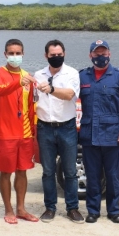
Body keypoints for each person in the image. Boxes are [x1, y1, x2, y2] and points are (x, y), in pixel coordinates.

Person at [78, 39, 119, 224]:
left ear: (109, 54)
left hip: (112, 135)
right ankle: (93, 211)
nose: (100, 56)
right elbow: (69, 99)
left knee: (113, 177)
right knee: (92, 176)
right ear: (90, 55)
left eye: (103, 53)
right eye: (96, 53)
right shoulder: (82, 76)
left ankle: (113, 211)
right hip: (89, 135)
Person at [0, 39, 39, 224]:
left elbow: (31, 106)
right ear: (5, 54)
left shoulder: (28, 77)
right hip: (5, 132)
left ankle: (21, 209)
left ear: (23, 54)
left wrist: (34, 132)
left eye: (18, 53)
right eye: (11, 53)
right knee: (6, 172)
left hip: (25, 132)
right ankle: (8, 209)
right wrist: (18, 82)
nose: (15, 56)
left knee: (22, 171)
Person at [33, 39, 83, 223]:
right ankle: (50, 208)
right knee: (48, 171)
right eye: (52, 55)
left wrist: (52, 89)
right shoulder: (38, 74)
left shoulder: (72, 73)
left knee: (70, 171)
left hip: (67, 127)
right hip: (45, 127)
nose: (56, 57)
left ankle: (72, 208)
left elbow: (70, 94)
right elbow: (32, 98)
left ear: (64, 54)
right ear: (46, 55)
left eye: (59, 55)